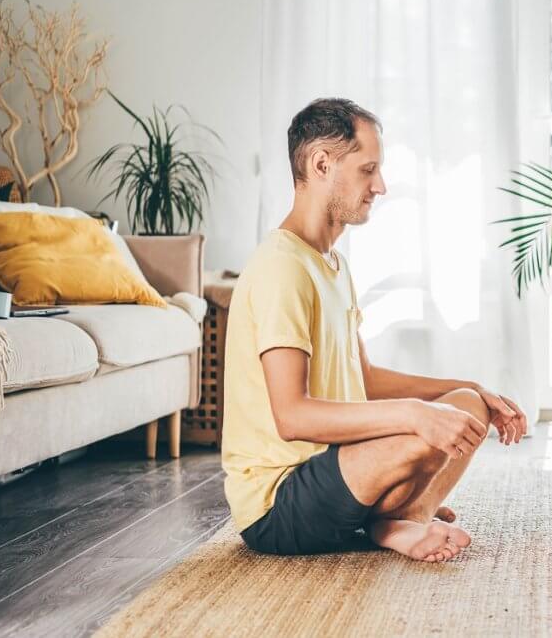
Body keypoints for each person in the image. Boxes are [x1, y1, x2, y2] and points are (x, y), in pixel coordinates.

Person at [222, 98, 528, 562]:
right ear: (321, 164)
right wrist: (413, 414)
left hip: (336, 471)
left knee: (465, 408)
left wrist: (470, 388)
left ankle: (402, 521)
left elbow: (364, 381)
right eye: (368, 169)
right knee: (422, 428)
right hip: (280, 504)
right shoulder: (281, 268)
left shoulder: (332, 263)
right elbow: (293, 416)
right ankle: (393, 521)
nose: (380, 186)